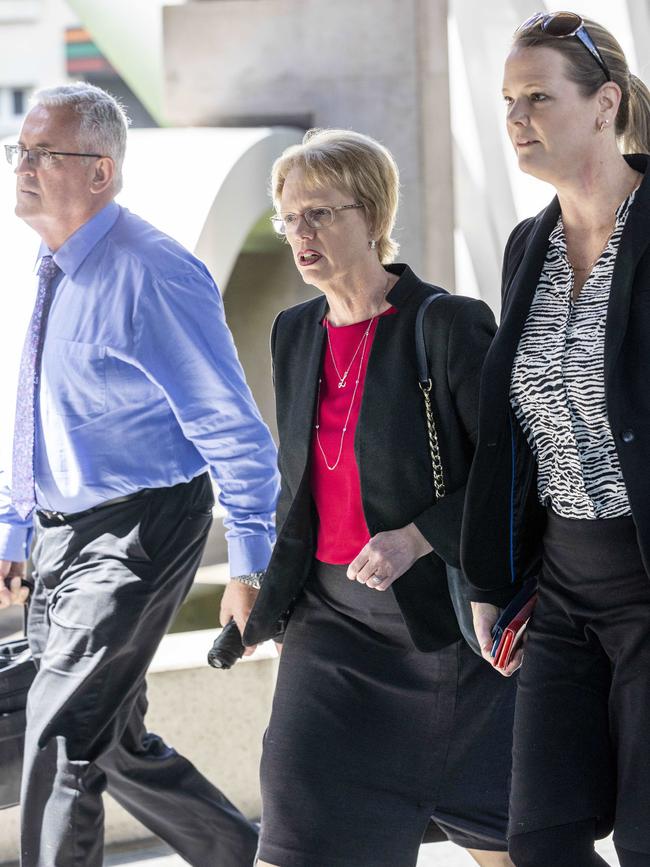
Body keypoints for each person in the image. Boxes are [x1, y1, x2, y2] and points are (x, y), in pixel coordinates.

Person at [0, 82, 279, 867]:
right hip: (63, 537)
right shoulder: (53, 266)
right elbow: (37, 409)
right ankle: (243, 857)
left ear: (101, 171)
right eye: (19, 150)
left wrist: (251, 564)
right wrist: (17, 524)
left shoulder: (153, 272)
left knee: (62, 737)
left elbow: (235, 430)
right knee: (111, 736)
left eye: (42, 153)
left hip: (139, 530)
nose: (22, 166)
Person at [239, 128, 517, 867]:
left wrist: (418, 535)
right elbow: (297, 484)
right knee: (294, 841)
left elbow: (511, 470)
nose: (301, 233)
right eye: (289, 218)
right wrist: (255, 574)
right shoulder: (294, 331)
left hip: (445, 641)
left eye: (320, 213)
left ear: (370, 214)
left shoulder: (445, 323)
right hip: (330, 632)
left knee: (510, 844)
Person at [461, 12, 650, 867]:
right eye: (508, 101)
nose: (517, 119)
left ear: (605, 103)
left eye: (539, 96)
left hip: (647, 580)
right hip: (565, 590)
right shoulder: (525, 246)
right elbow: (513, 432)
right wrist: (493, 576)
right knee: (539, 841)